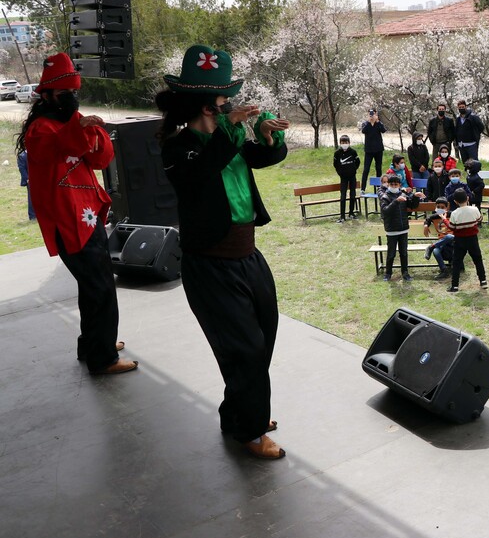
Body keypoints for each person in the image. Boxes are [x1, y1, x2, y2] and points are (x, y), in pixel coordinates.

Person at [157, 45, 289, 458]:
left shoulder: (226, 142)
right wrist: (230, 129)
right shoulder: (179, 147)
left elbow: (263, 157)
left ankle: (241, 410)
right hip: (210, 263)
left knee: (263, 338)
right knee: (243, 348)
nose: (228, 109)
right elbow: (201, 169)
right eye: (219, 106)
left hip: (247, 255)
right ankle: (249, 431)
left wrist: (267, 136)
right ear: (200, 107)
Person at [18, 52, 136, 376]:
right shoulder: (40, 130)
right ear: (47, 96)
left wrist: (93, 131)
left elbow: (98, 160)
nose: (70, 98)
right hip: (67, 221)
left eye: (73, 92)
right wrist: (78, 127)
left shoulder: (71, 121)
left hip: (86, 214)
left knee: (92, 284)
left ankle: (94, 343)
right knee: (99, 285)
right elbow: (61, 147)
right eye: (63, 93)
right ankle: (103, 359)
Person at [379, 174, 423, 281]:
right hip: (392, 230)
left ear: (399, 185)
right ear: (388, 184)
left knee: (403, 253)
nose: (394, 186)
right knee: (391, 254)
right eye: (391, 184)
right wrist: (396, 201)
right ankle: (388, 273)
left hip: (403, 229)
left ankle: (405, 273)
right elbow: (385, 211)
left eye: (396, 184)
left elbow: (412, 206)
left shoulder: (402, 194)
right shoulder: (385, 197)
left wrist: (415, 197)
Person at [447, 188, 487, 292]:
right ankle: (483, 281)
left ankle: (454, 286)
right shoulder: (474, 209)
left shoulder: (454, 213)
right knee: (478, 260)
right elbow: (479, 219)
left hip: (459, 240)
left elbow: (452, 227)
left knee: (457, 262)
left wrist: (444, 220)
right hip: (473, 239)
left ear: (455, 201)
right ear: (467, 198)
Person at [423, 198, 453, 279]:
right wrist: (426, 225)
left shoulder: (452, 215)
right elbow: (427, 219)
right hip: (442, 242)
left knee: (450, 236)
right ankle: (444, 270)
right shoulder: (434, 217)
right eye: (438, 207)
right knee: (436, 251)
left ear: (447, 208)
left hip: (453, 242)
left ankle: (431, 247)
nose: (440, 209)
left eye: (442, 207)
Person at [332, 134, 360, 222]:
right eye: (343, 142)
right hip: (343, 178)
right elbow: (335, 164)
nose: (344, 144)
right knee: (343, 196)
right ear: (340, 143)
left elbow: (358, 162)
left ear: (349, 143)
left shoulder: (353, 152)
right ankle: (342, 216)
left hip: (352, 177)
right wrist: (340, 172)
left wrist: (353, 170)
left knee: (352, 195)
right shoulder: (337, 153)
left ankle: (351, 213)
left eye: (346, 142)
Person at [360, 108, 386, 192]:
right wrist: (369, 122)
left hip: (378, 149)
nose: (372, 115)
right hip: (369, 150)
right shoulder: (365, 123)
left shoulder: (379, 123)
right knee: (366, 169)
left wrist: (377, 121)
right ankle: (363, 188)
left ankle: (379, 187)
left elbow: (383, 130)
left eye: (373, 113)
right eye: (370, 114)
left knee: (378, 168)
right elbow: (364, 131)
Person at [17, 148, 35, 220]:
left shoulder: (35, 153)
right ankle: (32, 216)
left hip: (38, 179)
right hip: (30, 180)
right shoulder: (22, 156)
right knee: (31, 198)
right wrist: (27, 179)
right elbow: (22, 168)